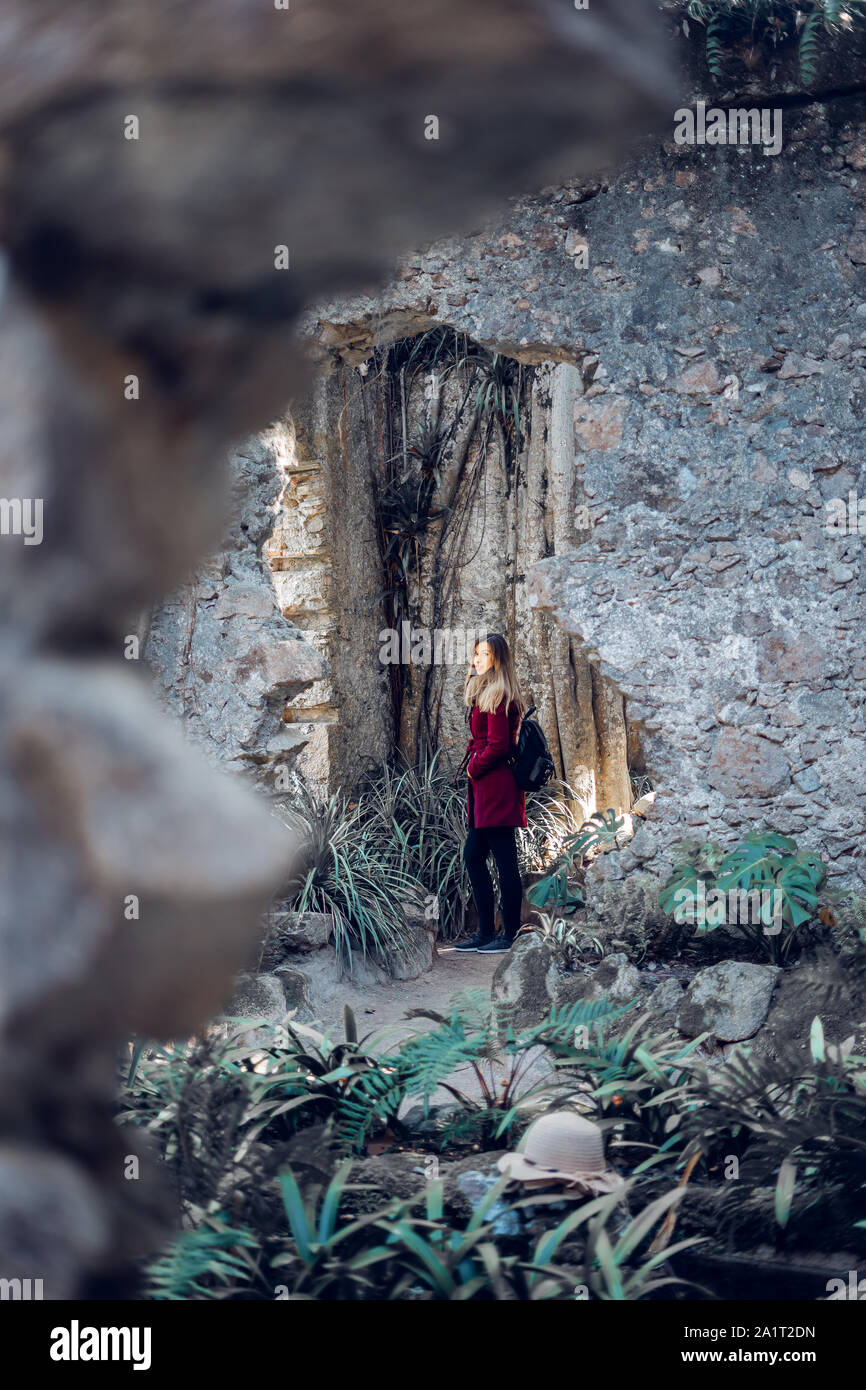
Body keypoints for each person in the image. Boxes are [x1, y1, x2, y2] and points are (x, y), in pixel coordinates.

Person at [454, 632, 527, 954]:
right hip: (484, 789)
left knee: (505, 863)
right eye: (476, 654)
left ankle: (509, 934)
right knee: (474, 857)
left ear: (498, 659)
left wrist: (473, 768)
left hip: (496, 787)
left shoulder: (500, 696)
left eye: (484, 654)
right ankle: (486, 932)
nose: (477, 660)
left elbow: (500, 746)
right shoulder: (486, 692)